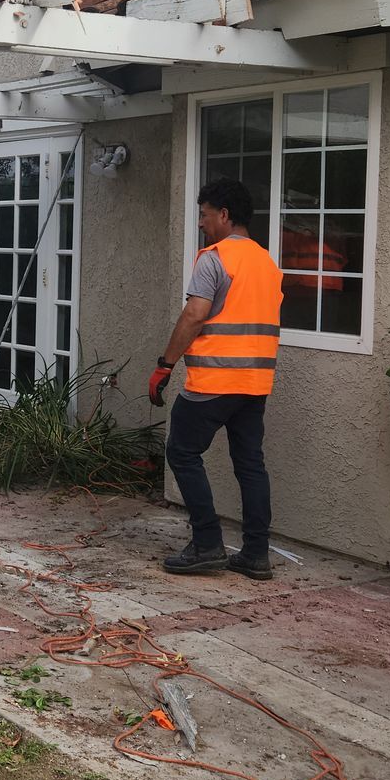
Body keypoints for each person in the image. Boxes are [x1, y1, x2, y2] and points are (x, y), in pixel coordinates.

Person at [147, 178, 282, 579]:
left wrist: (165, 365)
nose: (202, 224)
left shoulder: (214, 259)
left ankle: (207, 544)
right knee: (250, 464)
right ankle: (256, 554)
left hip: (213, 382)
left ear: (224, 215)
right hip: (254, 385)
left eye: (205, 216)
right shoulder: (266, 262)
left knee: (183, 453)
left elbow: (194, 314)